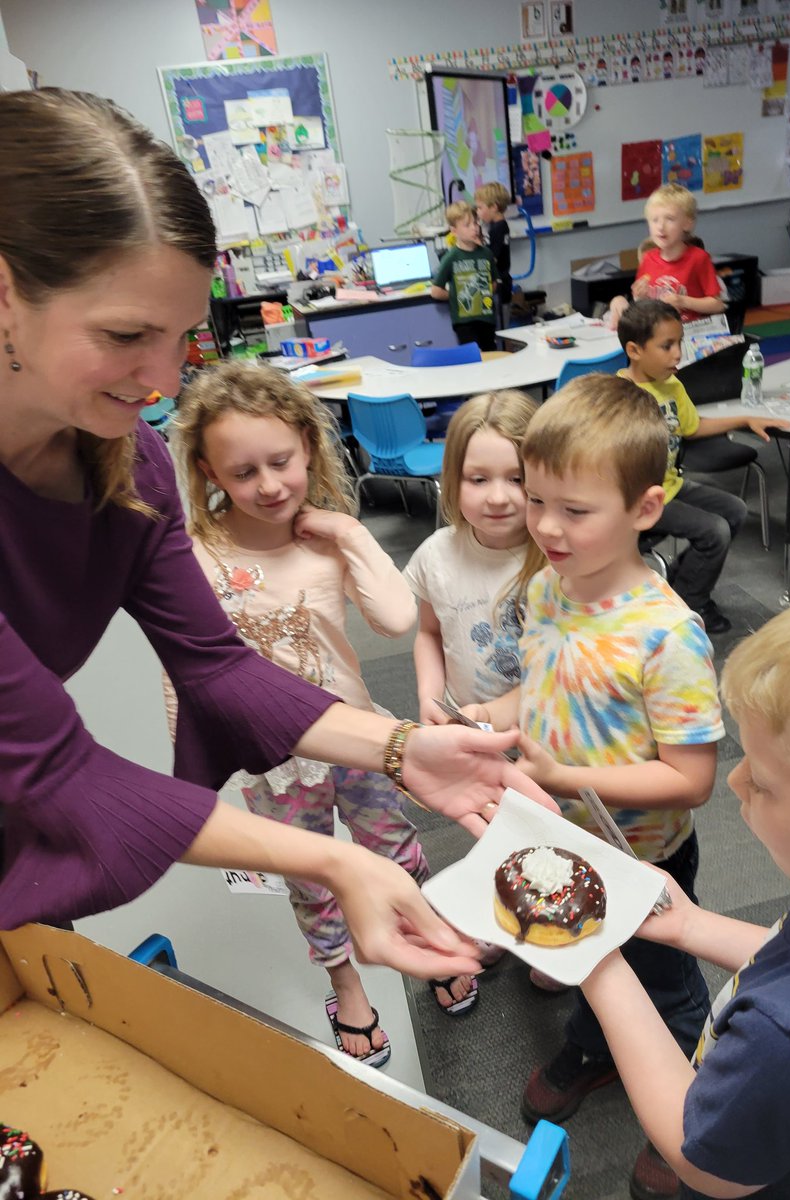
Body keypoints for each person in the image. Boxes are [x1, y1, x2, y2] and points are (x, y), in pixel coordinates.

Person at [0, 87, 555, 976]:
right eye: (125, 334)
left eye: (182, 336)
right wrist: (334, 858)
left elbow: (217, 667)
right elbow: (55, 771)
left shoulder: (126, 463)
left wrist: (405, 747)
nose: (159, 378)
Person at [463, 376, 724, 1200]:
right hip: (559, 833)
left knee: (663, 983)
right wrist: (491, 714)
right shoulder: (548, 586)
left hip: (644, 861)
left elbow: (691, 781)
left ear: (646, 509)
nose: (544, 526)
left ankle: (696, 1118)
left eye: (574, 511)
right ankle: (596, 1040)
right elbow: (538, 687)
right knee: (585, 952)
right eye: (539, 502)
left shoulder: (666, 635)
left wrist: (560, 772)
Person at [174, 361, 478, 1064]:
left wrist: (348, 532)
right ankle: (347, 985)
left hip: (358, 740)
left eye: (280, 462)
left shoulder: (323, 542)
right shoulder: (196, 554)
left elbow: (400, 618)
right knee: (310, 876)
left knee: (394, 850)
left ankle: (429, 938)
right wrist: (198, 770)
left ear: (308, 446)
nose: (269, 485)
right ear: (208, 471)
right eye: (243, 471)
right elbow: (185, 670)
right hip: (271, 763)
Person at [581, 578, 790, 1200]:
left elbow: (702, 1159)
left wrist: (597, 963)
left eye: (766, 780)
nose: (735, 784)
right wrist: (692, 927)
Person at [618, 300, 790, 634]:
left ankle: (681, 588)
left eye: (679, 343)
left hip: (669, 485)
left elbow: (691, 427)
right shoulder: (618, 393)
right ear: (634, 350)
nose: (677, 354)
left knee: (735, 510)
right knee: (715, 529)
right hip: (638, 498)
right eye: (666, 346)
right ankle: (692, 602)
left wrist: (743, 417)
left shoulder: (672, 385)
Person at [404, 389, 543, 726]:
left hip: (541, 735)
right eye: (478, 479)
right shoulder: (436, 555)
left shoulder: (557, 560)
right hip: (461, 727)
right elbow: (429, 634)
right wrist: (430, 698)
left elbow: (561, 671)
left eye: (517, 479)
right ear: (454, 478)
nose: (497, 497)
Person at [607, 184, 726, 330]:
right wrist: (639, 298)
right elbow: (644, 306)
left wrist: (682, 301)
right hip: (656, 334)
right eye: (654, 220)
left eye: (669, 219)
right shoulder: (648, 259)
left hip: (690, 335)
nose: (660, 227)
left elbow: (717, 304)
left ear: (687, 223)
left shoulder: (699, 258)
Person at [431, 201, 498, 352]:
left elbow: (494, 283)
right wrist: (456, 296)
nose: (474, 228)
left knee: (491, 356)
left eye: (475, 223)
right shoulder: (451, 257)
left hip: (486, 318)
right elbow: (436, 291)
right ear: (454, 231)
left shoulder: (486, 254)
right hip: (464, 322)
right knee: (472, 358)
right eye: (467, 225)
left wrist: (484, 292)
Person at [474, 182, 513, 328]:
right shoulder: (496, 226)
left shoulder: (498, 228)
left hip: (501, 286)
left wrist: (477, 243)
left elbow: (492, 258)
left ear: (494, 207)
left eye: (480, 208)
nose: (478, 212)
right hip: (501, 284)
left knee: (500, 329)